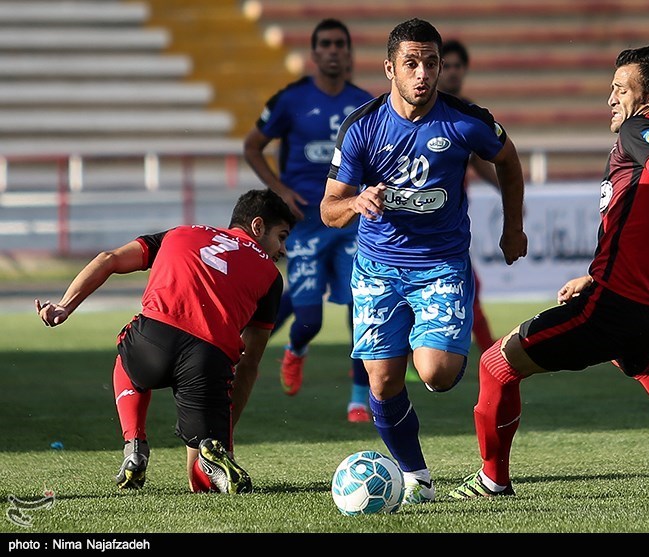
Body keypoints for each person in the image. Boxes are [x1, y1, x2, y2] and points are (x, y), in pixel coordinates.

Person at [448, 45, 649, 500]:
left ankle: (493, 480)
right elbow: (647, 221)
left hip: (616, 307)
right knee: (636, 358)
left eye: (620, 89)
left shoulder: (640, 130)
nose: (610, 98)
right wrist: (593, 275)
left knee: (495, 365)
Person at [320, 18, 527, 504]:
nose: (422, 74)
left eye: (430, 63)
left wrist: (512, 227)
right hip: (376, 268)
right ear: (389, 68)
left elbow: (509, 160)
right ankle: (417, 477)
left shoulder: (465, 120)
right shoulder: (361, 128)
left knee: (434, 373)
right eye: (411, 64)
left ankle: (437, 352)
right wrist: (355, 203)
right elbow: (329, 208)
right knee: (383, 380)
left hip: (440, 264)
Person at [35, 189, 297, 494]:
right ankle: (210, 450)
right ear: (257, 227)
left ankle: (134, 444)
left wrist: (66, 305)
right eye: (282, 236)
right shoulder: (270, 276)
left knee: (126, 356)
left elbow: (108, 259)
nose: (283, 249)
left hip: (152, 341)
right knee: (201, 481)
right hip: (208, 360)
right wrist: (225, 432)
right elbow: (249, 364)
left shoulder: (180, 233)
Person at [243, 18, 374, 423]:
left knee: (360, 307)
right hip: (303, 226)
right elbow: (252, 147)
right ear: (315, 54)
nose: (334, 51)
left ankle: (358, 398)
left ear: (348, 53)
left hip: (350, 222)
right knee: (310, 318)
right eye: (326, 45)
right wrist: (278, 188)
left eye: (340, 44)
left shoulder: (367, 103)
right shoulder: (290, 100)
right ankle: (296, 348)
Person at [439, 38, 498, 353]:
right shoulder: (419, 111)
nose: (451, 73)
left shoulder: (468, 115)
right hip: (419, 219)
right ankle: (492, 353)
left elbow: (478, 160)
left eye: (457, 66)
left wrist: (505, 189)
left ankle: (491, 354)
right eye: (445, 66)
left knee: (469, 285)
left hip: (452, 218)